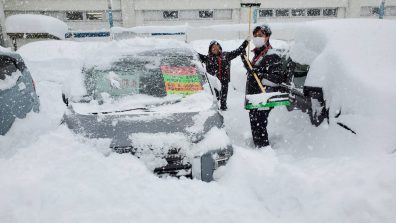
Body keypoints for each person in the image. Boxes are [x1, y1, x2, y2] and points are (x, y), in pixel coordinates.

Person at [244, 24, 286, 148]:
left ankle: (264, 150)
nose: (257, 37)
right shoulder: (258, 54)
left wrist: (260, 74)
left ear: (267, 37)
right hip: (254, 96)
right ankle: (258, 147)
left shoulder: (272, 55)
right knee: (255, 124)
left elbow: (277, 79)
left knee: (259, 126)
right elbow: (254, 73)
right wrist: (248, 66)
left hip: (264, 97)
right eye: (255, 35)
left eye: (260, 35)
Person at [198, 39, 249, 110]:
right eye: (213, 47)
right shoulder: (207, 58)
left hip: (224, 79)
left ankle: (223, 107)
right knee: (215, 96)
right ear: (210, 49)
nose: (215, 48)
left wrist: (245, 43)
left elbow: (237, 52)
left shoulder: (226, 55)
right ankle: (214, 108)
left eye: (217, 47)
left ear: (220, 48)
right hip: (213, 81)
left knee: (223, 96)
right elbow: (197, 55)